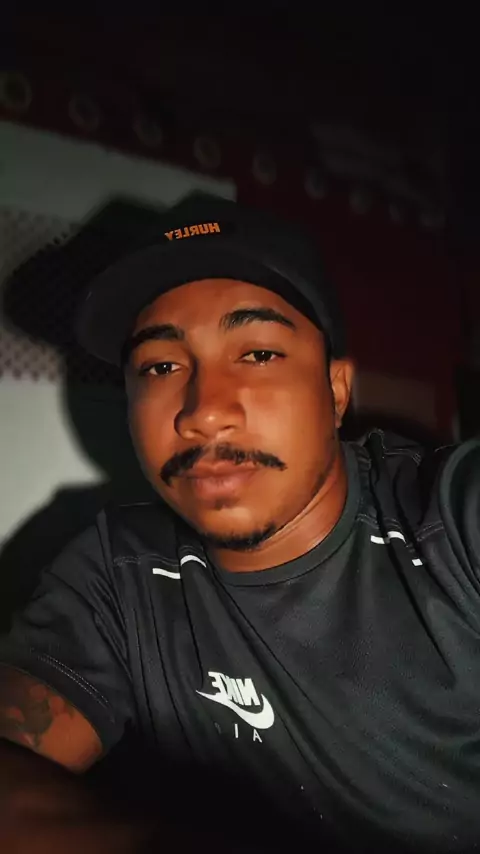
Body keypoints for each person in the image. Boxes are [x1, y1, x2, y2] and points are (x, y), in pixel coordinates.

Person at [0, 193, 479, 854]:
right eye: (161, 366)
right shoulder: (118, 574)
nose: (203, 411)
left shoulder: (451, 519)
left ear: (337, 391)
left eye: (257, 354)